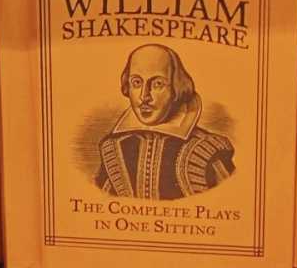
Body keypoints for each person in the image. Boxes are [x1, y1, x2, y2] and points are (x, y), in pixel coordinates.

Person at [95, 44, 235, 200]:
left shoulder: (204, 149)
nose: (144, 96)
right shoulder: (114, 149)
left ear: (176, 88)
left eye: (157, 84)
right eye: (136, 83)